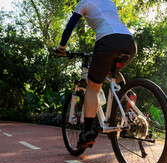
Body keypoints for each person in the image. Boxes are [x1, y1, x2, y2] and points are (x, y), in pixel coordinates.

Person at [55, 0, 137, 149]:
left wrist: (62, 47)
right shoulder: (110, 3)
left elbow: (70, 26)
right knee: (112, 72)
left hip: (107, 40)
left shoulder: (84, 3)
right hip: (129, 42)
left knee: (93, 87)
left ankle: (87, 132)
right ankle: (127, 93)